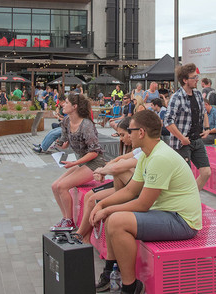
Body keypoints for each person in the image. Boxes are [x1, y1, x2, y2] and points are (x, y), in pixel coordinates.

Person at [90, 111, 202, 294]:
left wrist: (107, 210)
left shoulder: (160, 157)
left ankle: (130, 286)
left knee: (116, 220)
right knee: (112, 218)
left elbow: (143, 205)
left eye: (130, 131)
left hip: (183, 221)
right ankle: (110, 272)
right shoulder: (147, 154)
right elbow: (130, 190)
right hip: (165, 213)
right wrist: (101, 205)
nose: (128, 134)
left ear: (141, 132)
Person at [76, 117, 140, 244]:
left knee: (93, 200)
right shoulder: (138, 150)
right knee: (90, 196)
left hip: (132, 190)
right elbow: (117, 161)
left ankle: (79, 236)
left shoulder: (147, 150)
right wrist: (104, 169)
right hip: (126, 187)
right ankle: (84, 238)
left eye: (122, 135)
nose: (121, 139)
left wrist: (102, 171)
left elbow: (119, 166)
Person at [50, 94, 106, 230]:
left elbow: (94, 152)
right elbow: (64, 142)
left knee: (62, 186)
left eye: (66, 103)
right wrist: (59, 145)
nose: (63, 104)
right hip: (82, 162)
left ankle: (69, 221)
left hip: (95, 163)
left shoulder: (86, 125)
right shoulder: (66, 121)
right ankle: (65, 218)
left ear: (74, 107)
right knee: (54, 186)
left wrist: (74, 163)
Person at [164, 63, 211, 191]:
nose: (197, 80)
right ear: (185, 80)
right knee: (185, 177)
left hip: (196, 140)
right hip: (182, 143)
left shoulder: (197, 95)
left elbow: (204, 112)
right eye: (194, 77)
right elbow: (168, 121)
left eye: (197, 77)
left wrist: (207, 129)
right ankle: (186, 199)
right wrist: (181, 138)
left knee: (206, 172)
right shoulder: (177, 97)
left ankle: (191, 197)